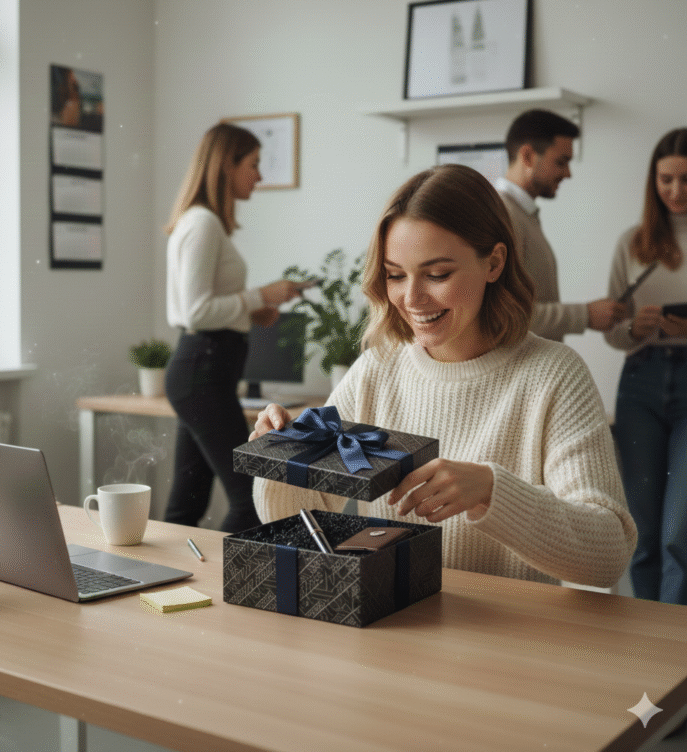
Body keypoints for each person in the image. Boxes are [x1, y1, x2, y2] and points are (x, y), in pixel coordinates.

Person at [251, 164, 636, 588]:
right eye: (396, 275)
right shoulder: (377, 369)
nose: (412, 298)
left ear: (494, 262)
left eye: (437, 274)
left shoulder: (555, 376)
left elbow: (609, 552)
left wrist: (492, 491)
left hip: (506, 646)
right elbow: (294, 521)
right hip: (387, 629)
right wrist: (281, 459)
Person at [164, 122, 302, 533]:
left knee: (186, 504)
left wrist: (252, 313)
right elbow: (196, 312)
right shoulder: (203, 224)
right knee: (250, 499)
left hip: (205, 371)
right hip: (202, 371)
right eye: (254, 164)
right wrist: (261, 296)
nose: (259, 176)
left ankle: (174, 583)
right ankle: (229, 588)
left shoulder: (205, 223)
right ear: (227, 165)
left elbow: (206, 308)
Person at [605, 128, 687, 605]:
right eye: (666, 179)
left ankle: (675, 654)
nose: (676, 191)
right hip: (640, 381)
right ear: (652, 180)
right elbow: (613, 333)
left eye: (685, 179)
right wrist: (637, 329)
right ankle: (646, 650)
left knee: (680, 532)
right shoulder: (633, 244)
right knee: (642, 529)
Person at [496, 109, 625, 341]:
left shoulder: (520, 213)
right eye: (561, 162)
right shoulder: (504, 215)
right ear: (527, 156)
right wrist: (585, 315)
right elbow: (504, 314)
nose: (568, 174)